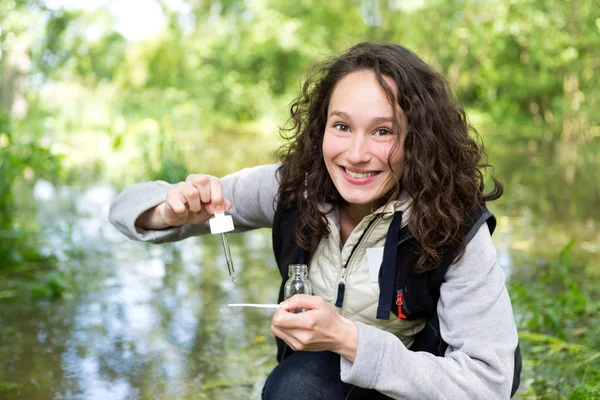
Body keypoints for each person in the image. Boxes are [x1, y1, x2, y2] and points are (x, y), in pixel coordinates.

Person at [109, 42, 520, 399]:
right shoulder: (290, 188)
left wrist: (348, 339)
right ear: (321, 128)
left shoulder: (456, 226)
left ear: (420, 139)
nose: (356, 154)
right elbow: (123, 210)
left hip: (423, 387)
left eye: (382, 132)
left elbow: (488, 384)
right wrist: (171, 208)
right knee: (298, 386)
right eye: (342, 126)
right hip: (323, 385)